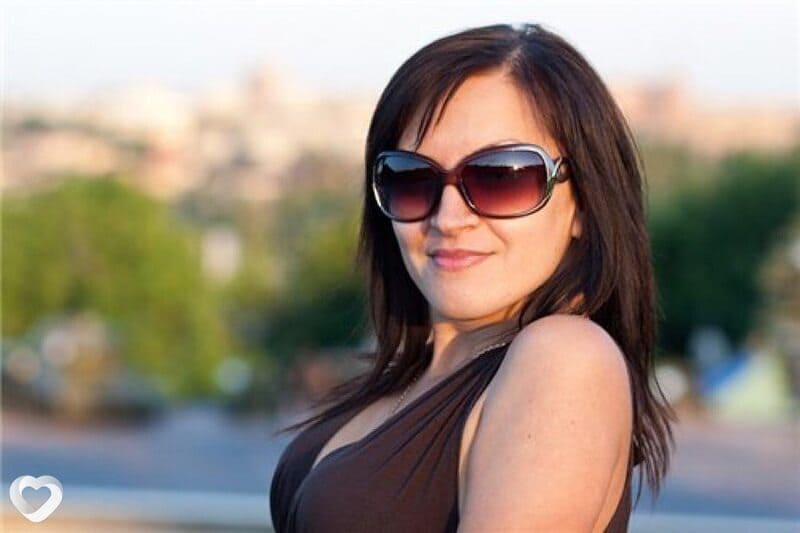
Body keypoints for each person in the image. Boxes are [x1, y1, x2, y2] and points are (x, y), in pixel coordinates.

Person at [269, 22, 676, 532]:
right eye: (411, 178)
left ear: (584, 205)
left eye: (500, 178)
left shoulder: (565, 360)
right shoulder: (415, 373)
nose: (448, 218)